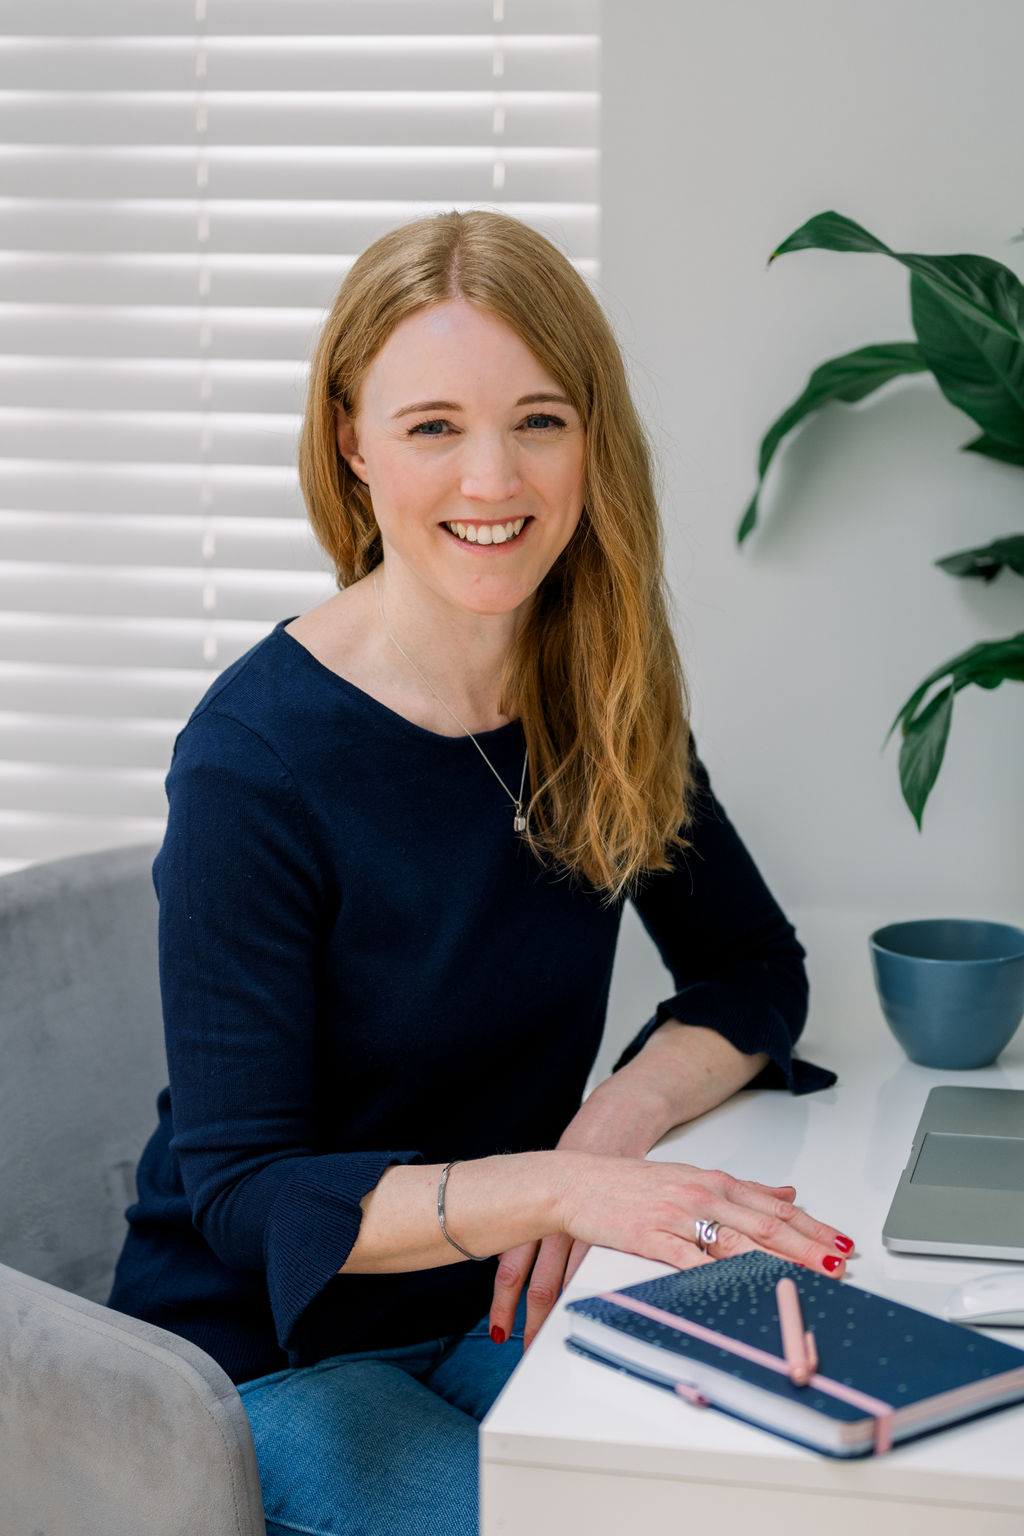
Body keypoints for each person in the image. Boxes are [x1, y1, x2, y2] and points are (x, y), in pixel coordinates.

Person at [109, 209, 849, 1536]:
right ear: (353, 441)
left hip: (503, 1297)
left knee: (792, 1489)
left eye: (540, 420)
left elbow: (752, 968)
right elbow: (241, 1193)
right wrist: (560, 1189)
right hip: (274, 1364)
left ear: (592, 438)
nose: (492, 479)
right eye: (433, 425)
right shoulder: (252, 760)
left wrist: (605, 1131)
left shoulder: (602, 693)